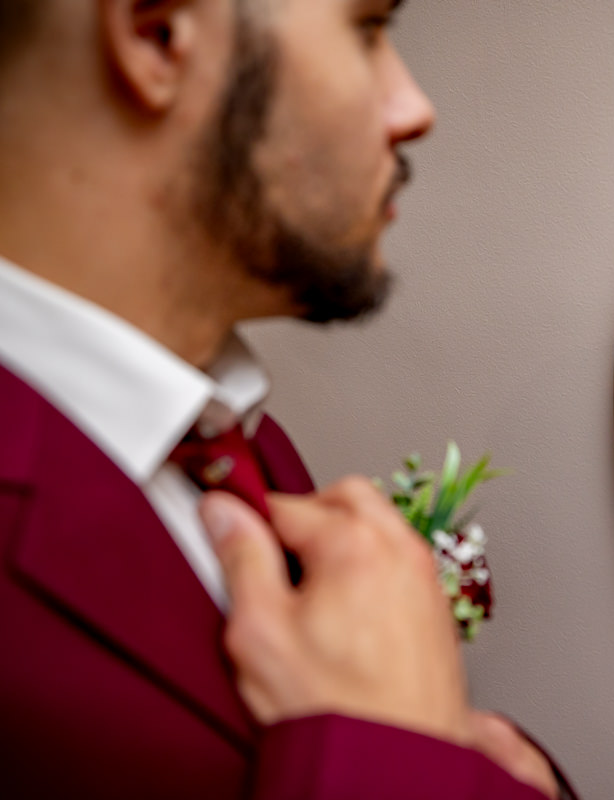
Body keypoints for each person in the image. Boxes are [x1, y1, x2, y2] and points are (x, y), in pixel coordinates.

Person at [0, 1, 569, 798]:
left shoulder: (247, 448)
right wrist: (400, 760)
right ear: (157, 34)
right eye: (368, 29)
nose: (415, 109)